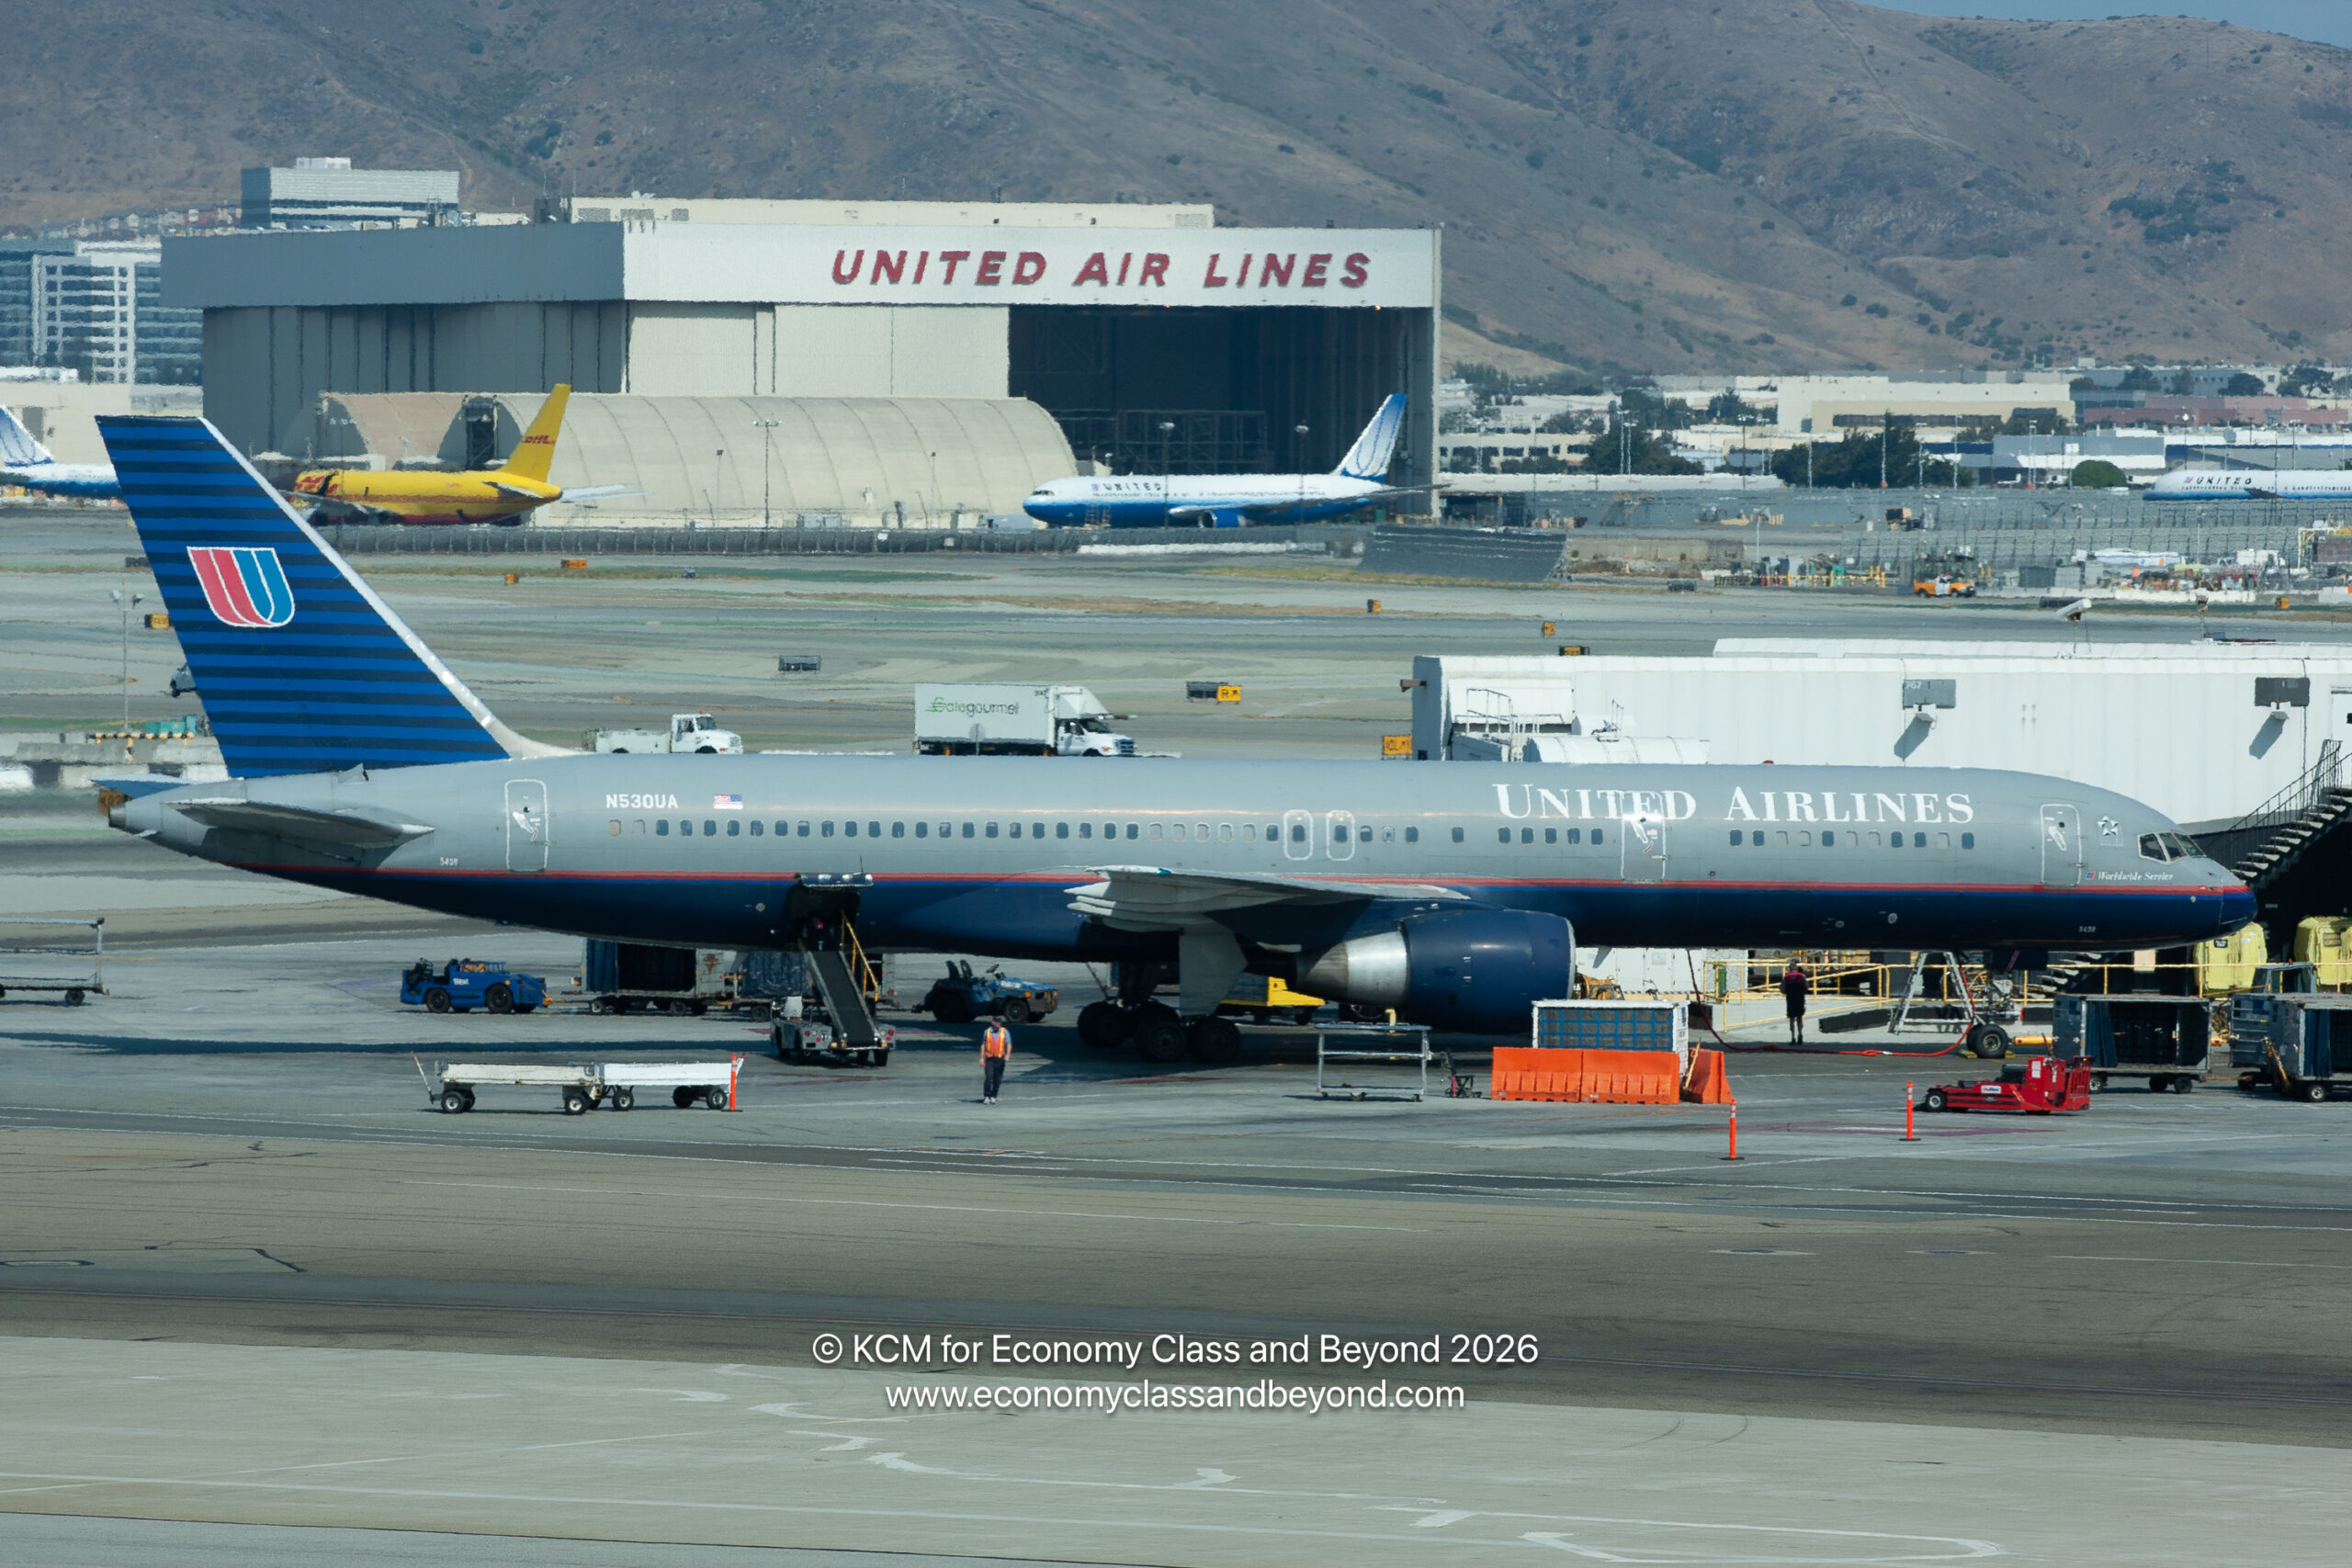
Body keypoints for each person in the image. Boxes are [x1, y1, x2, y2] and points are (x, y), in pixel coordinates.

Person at [980, 1019, 1012, 1103]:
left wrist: (1008, 1055)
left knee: (997, 1078)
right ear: (992, 1022)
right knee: (989, 1077)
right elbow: (983, 1045)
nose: (999, 1023)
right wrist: (981, 1057)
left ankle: (994, 1096)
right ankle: (987, 1095)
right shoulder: (987, 1032)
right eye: (997, 1021)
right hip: (990, 1058)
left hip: (1000, 1058)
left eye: (1000, 1022)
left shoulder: (1004, 1032)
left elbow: (1008, 1044)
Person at [1780, 962, 1810, 1046]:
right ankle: (1800, 1034)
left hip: (1791, 999)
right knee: (1800, 1017)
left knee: (1792, 1019)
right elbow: (1807, 986)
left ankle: (1793, 1038)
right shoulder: (1802, 976)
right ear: (1796, 968)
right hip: (1800, 999)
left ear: (1789, 969)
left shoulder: (1786, 977)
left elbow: (1782, 989)